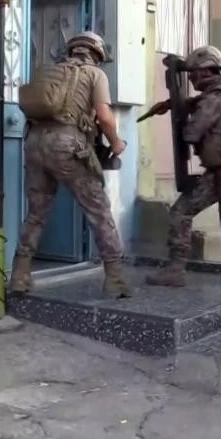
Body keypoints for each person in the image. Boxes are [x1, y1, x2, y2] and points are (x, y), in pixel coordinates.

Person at [9, 31, 131, 297]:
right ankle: (115, 279)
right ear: (97, 53)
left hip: (35, 143)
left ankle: (20, 276)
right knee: (99, 211)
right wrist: (116, 143)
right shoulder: (95, 74)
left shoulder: (53, 72)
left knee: (36, 213)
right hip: (68, 146)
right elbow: (105, 117)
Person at [145, 45, 221, 287]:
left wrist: (181, 120)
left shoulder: (213, 100)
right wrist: (175, 104)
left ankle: (175, 269)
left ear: (206, 72)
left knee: (180, 212)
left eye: (194, 72)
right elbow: (201, 103)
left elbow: (192, 133)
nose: (191, 77)